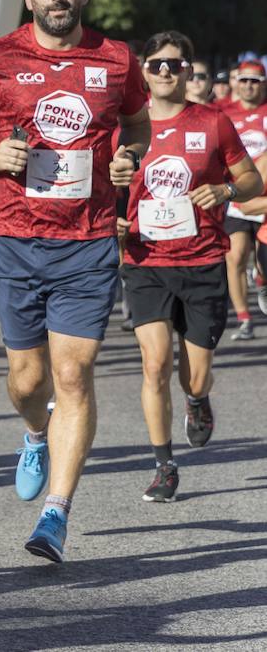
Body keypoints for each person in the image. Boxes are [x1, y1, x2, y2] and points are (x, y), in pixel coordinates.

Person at [0, 0, 150, 563]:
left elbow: (137, 125)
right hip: (14, 236)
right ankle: (35, 432)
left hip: (86, 242)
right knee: (28, 379)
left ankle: (56, 513)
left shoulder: (115, 60)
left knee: (72, 374)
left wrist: (128, 158)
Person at [119, 32, 260, 502]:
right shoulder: (123, 129)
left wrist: (225, 192)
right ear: (143, 69)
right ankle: (164, 464)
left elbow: (251, 179)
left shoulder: (213, 123)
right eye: (156, 63)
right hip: (145, 260)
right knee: (155, 363)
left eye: (175, 65)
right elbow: (101, 187)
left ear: (187, 72)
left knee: (193, 376)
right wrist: (113, 218)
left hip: (201, 261)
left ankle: (197, 401)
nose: (165, 71)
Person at [215, 59, 267, 340]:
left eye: (255, 81)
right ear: (236, 83)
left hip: (266, 200)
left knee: (263, 264)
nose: (249, 86)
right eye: (244, 80)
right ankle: (244, 318)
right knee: (234, 257)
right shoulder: (223, 112)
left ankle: (261, 279)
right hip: (236, 198)